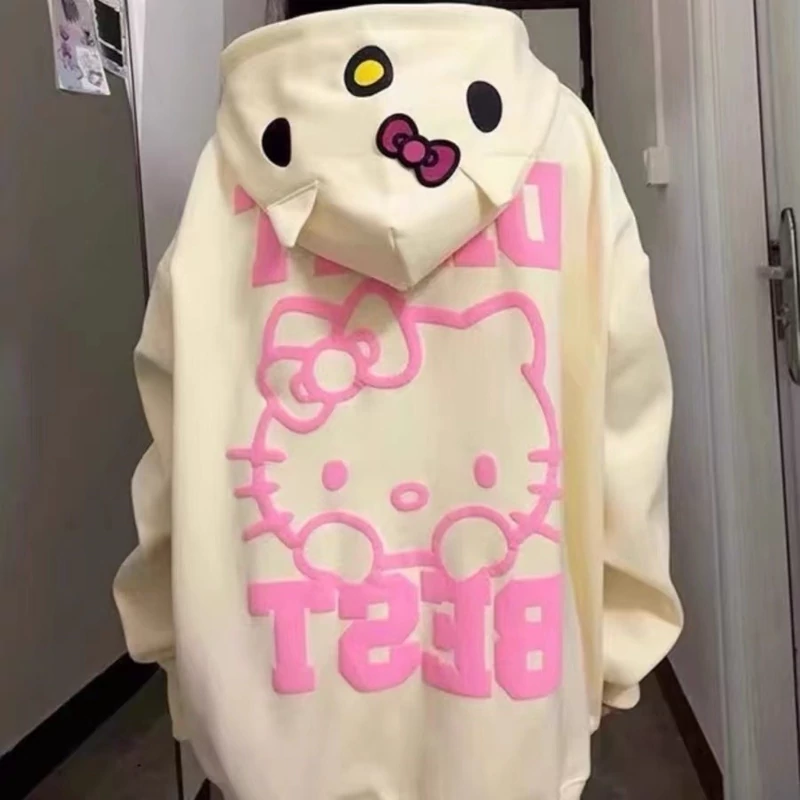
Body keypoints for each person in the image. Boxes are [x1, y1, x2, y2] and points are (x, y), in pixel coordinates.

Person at [114, 3, 683, 798]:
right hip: (514, 721)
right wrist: (619, 643)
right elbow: (627, 414)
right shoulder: (561, 137)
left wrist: (172, 640)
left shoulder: (232, 165)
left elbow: (173, 425)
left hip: (272, 726)